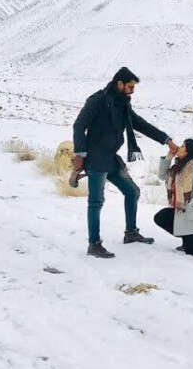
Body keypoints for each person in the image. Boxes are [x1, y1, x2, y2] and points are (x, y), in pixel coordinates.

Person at [72, 67, 177, 258]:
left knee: (132, 191)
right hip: (95, 159)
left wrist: (166, 139)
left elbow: (140, 123)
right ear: (119, 83)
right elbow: (79, 125)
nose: (132, 90)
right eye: (130, 86)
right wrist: (80, 155)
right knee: (96, 202)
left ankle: (131, 233)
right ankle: (93, 244)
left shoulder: (123, 104)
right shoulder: (97, 100)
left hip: (111, 158)